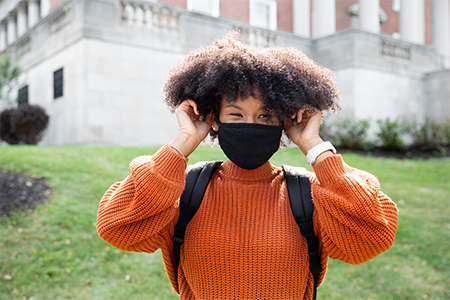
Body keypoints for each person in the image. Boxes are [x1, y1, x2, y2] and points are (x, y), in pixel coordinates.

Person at [96, 31, 398, 300]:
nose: (251, 125)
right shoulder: (186, 190)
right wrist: (184, 142)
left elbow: (373, 234)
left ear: (284, 120)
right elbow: (115, 226)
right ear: (214, 118)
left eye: (265, 116)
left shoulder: (309, 194)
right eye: (236, 115)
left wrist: (315, 147)